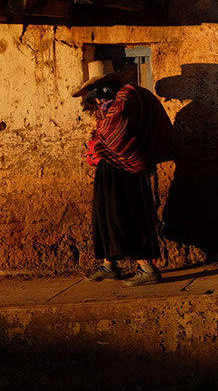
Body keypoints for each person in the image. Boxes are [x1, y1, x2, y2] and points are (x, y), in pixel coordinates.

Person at [74, 60, 173, 286]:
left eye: (99, 94)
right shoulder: (114, 104)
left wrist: (99, 145)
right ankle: (110, 265)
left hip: (126, 168)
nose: (97, 100)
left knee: (130, 214)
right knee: (107, 215)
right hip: (110, 167)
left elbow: (118, 132)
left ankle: (147, 267)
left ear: (109, 85)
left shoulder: (127, 98)